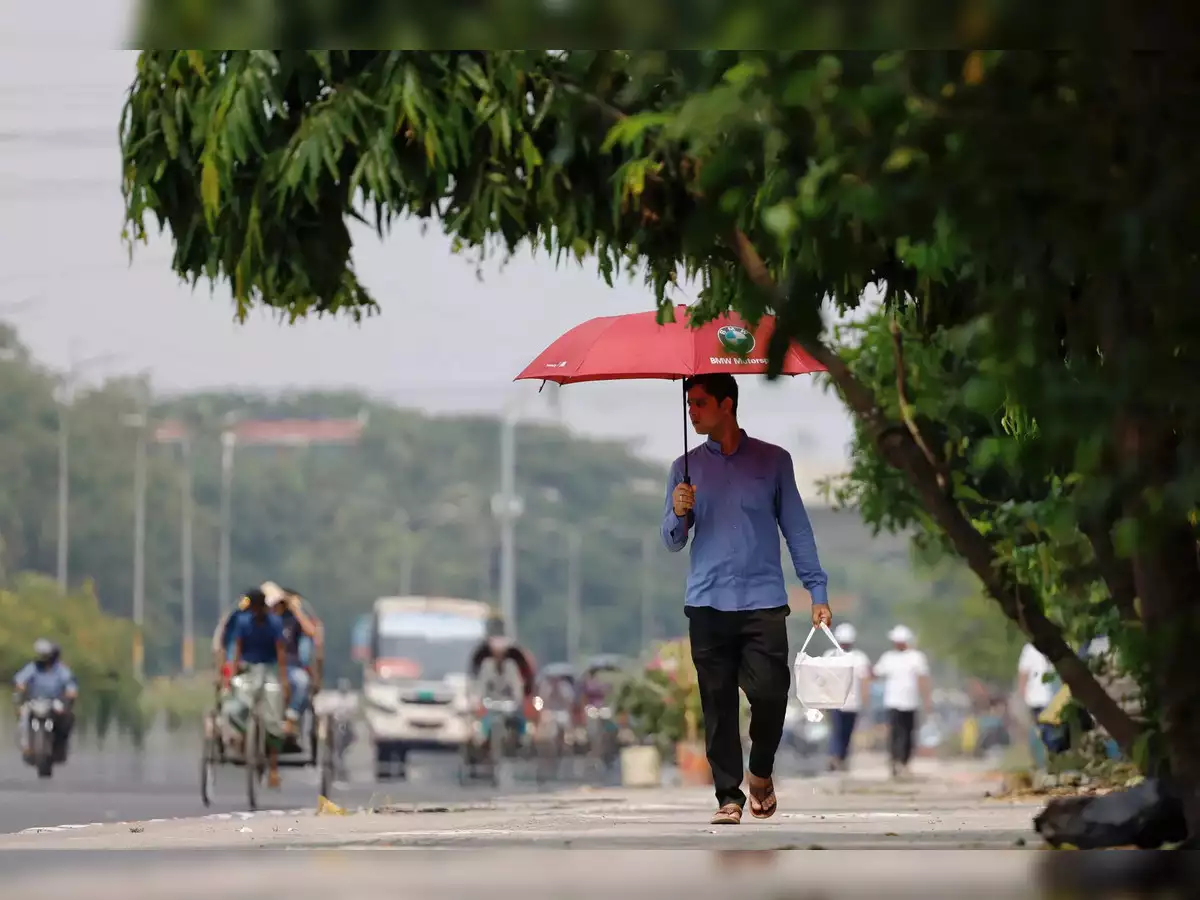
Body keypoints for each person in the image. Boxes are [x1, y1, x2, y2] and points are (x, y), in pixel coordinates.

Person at [662, 373, 832, 826]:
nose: (691, 411)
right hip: (707, 603)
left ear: (727, 405)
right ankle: (728, 796)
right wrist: (680, 512)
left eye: (699, 403)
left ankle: (760, 771)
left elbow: (796, 528)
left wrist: (817, 589)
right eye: (688, 404)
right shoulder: (684, 468)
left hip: (763, 603)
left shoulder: (774, 461)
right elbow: (672, 540)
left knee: (771, 694)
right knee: (717, 703)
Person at [230, 587, 290, 788]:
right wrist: (234, 669)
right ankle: (241, 739)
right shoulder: (243, 622)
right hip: (249, 669)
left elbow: (280, 653)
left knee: (273, 718)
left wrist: (284, 680)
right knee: (238, 705)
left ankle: (273, 768)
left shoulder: (274, 623)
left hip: (269, 671)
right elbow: (238, 647)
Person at [871, 625, 932, 778]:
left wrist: (926, 699)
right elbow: (876, 673)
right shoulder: (888, 658)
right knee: (895, 733)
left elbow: (923, 679)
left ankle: (904, 762)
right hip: (893, 702)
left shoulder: (916, 657)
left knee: (909, 733)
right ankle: (895, 760)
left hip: (910, 702)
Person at [266, 583, 321, 736]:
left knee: (302, 683)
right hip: (268, 665)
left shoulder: (292, 619)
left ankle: (291, 719)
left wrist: (296, 609)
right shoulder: (264, 620)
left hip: (290, 666)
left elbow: (311, 632)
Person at [12, 639, 78, 760]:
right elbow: (20, 679)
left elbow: (71, 686)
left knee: (67, 719)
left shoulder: (61, 670)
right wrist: (21, 685)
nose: (46, 659)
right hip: (34, 701)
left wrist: (70, 694)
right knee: (23, 716)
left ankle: (60, 746)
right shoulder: (33, 667)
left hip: (55, 702)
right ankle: (26, 746)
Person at [823, 622, 872, 772]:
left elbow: (865, 681)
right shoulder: (829, 655)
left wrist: (864, 700)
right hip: (835, 702)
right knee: (838, 731)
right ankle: (835, 757)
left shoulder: (860, 658)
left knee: (845, 733)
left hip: (852, 703)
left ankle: (841, 758)